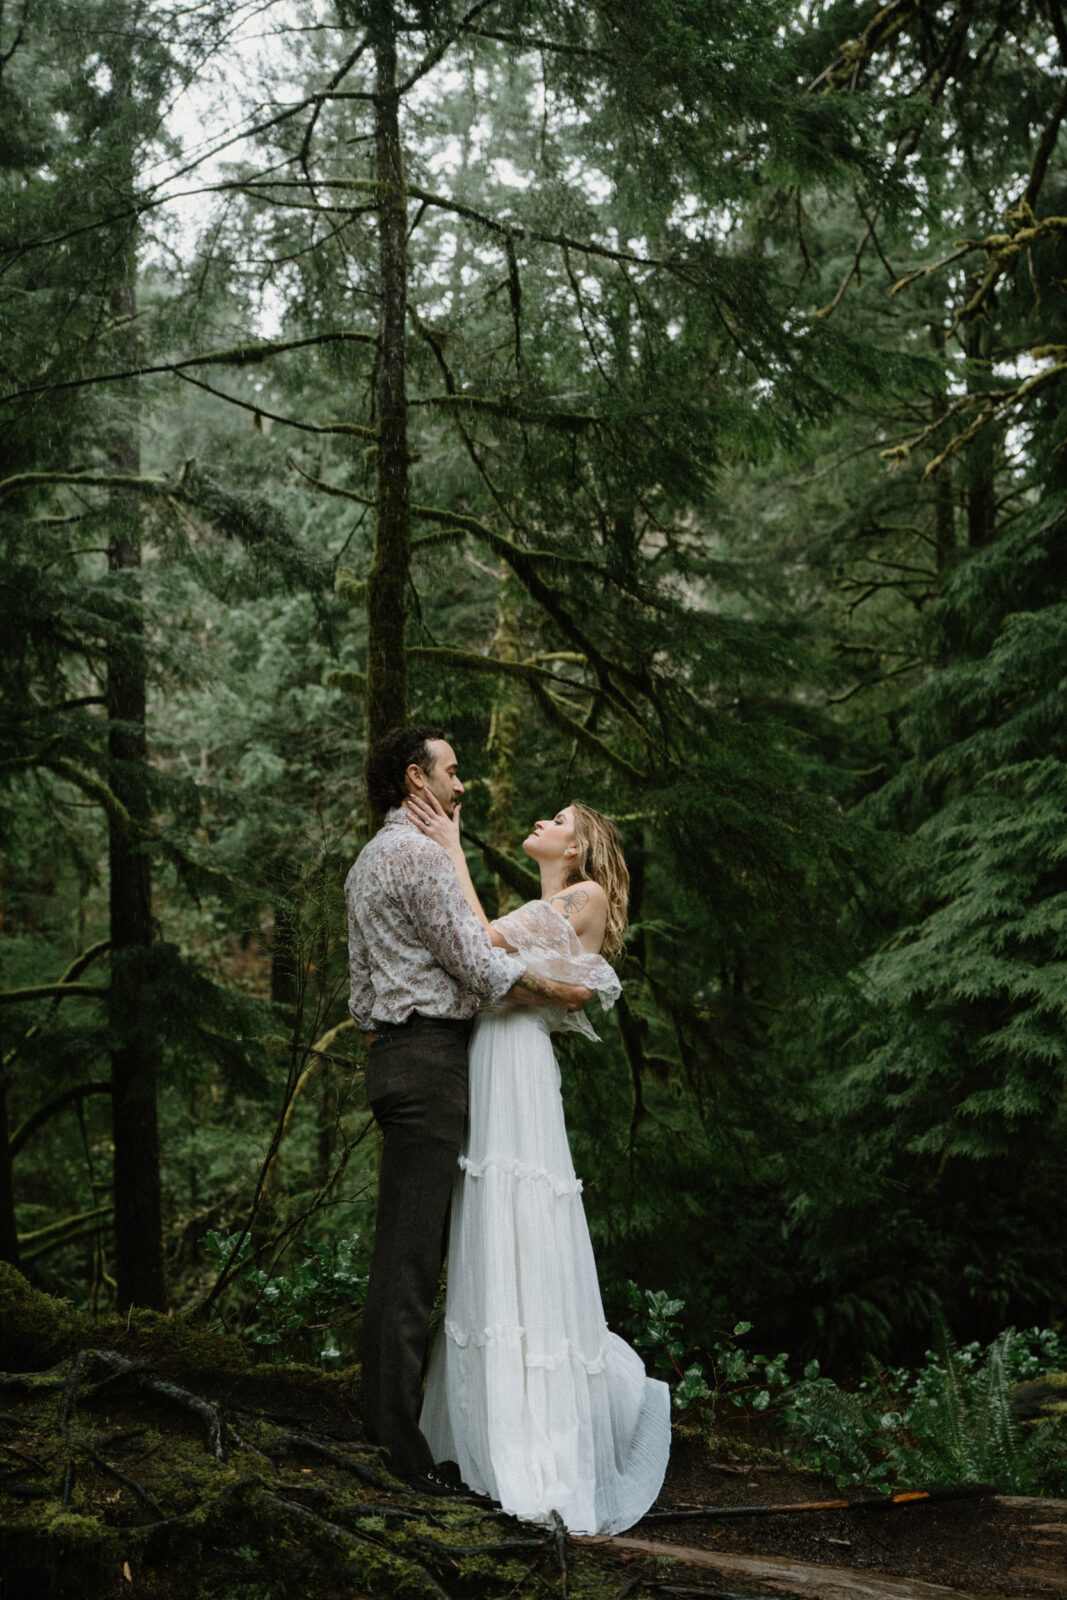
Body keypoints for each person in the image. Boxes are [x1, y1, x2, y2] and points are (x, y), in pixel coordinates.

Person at [405, 790, 671, 1535]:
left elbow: (481, 940)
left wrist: (451, 848)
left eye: (558, 822)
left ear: (578, 849)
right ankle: (490, 1423)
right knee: (498, 1211)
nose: (542, 825)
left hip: (514, 1061)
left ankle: (536, 1436)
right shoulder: (555, 902)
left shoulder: (581, 894)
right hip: (499, 1054)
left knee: (518, 1203)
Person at [345, 726, 595, 1497]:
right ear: (417, 778)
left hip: (397, 1056)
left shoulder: (368, 859)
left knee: (406, 1249)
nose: (463, 785)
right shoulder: (417, 856)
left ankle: (388, 1424)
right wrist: (566, 989)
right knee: (413, 1259)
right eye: (452, 773)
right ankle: (397, 1450)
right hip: (425, 1063)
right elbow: (480, 967)